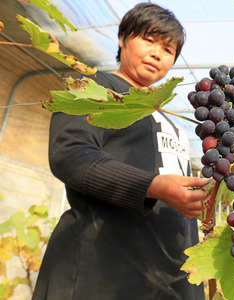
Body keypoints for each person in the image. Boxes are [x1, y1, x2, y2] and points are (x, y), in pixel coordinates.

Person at [32, 3, 209, 300]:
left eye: (168, 50)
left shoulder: (170, 121)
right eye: (149, 40)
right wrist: (152, 186)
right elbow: (70, 153)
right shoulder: (95, 89)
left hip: (167, 277)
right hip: (104, 270)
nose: (157, 54)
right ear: (123, 38)